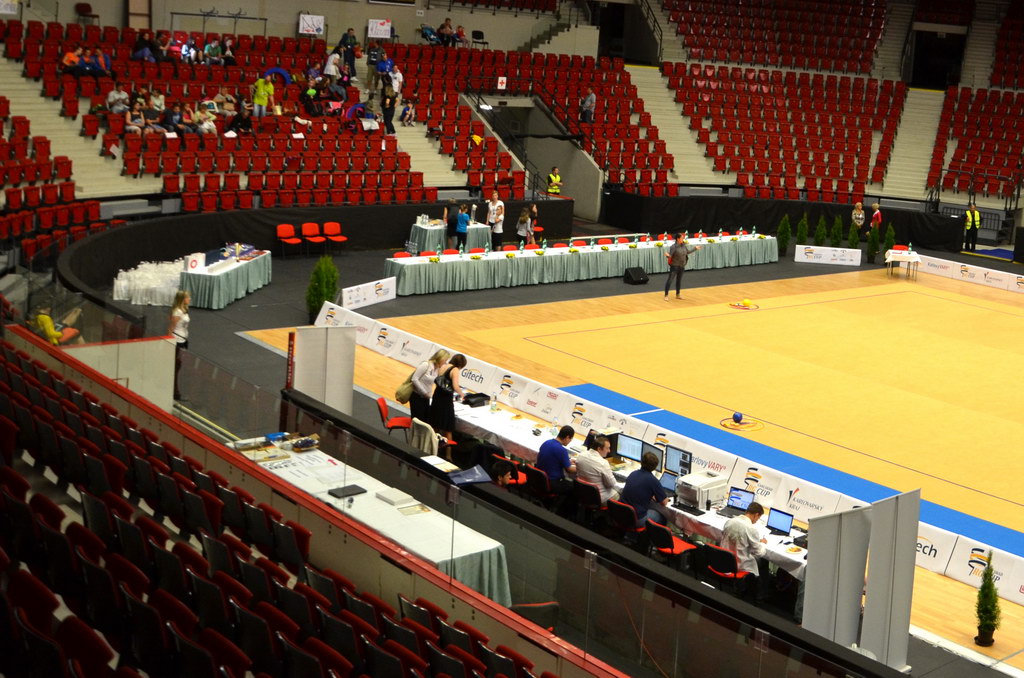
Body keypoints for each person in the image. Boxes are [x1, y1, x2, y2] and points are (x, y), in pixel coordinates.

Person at [722, 501, 769, 599]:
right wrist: (762, 543)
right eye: (758, 518)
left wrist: (755, 541)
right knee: (764, 561)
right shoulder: (751, 529)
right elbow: (759, 552)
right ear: (756, 515)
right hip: (739, 563)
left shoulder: (730, 521)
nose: (757, 521)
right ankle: (760, 596)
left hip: (724, 560)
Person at [619, 451, 669, 527]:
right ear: (655, 467)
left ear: (641, 462)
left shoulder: (633, 473)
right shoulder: (653, 480)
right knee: (662, 518)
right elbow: (664, 503)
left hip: (621, 513)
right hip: (636, 519)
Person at [428, 353, 467, 440]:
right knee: (448, 428)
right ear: (461, 365)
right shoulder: (455, 370)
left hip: (437, 396)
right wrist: (463, 395)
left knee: (435, 424)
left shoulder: (443, 366)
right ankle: (448, 449)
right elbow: (455, 386)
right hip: (445, 400)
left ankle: (431, 444)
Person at [409, 349, 449, 424]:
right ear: (441, 358)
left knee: (425, 421)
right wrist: (424, 392)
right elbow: (414, 379)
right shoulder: (426, 365)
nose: (445, 363)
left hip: (426, 398)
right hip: (417, 397)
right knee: (418, 421)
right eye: (445, 360)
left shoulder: (437, 369)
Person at [574, 435, 618, 503]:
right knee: (620, 494)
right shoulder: (603, 463)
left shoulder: (581, 455)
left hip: (583, 494)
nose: (609, 451)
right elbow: (612, 484)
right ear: (599, 449)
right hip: (600, 498)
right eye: (607, 448)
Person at [536, 425, 576, 496]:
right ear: (567, 437)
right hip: (552, 482)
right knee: (575, 488)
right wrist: (580, 466)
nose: (570, 441)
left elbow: (553, 459)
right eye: (570, 439)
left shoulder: (546, 442)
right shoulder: (562, 450)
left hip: (538, 478)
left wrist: (568, 461)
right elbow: (569, 470)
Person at [664, 232, 701, 300]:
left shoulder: (683, 245)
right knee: (670, 280)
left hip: (682, 266)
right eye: (682, 238)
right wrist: (667, 255)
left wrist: (695, 248)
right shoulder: (673, 247)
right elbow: (670, 256)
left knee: (679, 280)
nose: (683, 239)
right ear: (678, 239)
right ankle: (666, 295)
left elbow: (687, 252)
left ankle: (678, 295)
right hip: (674, 266)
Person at [169, 290, 190, 400]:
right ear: (182, 299)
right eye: (187, 297)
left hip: (183, 339)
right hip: (177, 340)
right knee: (176, 365)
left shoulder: (184, 310)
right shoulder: (177, 312)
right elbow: (171, 328)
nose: (189, 299)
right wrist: (169, 341)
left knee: (179, 364)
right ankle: (175, 392)